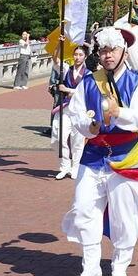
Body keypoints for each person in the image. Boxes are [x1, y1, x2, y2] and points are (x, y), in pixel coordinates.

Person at [61, 23, 138, 276]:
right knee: (84, 208)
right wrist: (90, 126)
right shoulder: (89, 82)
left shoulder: (136, 83)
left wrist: (120, 113)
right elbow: (75, 114)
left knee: (124, 212)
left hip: (126, 155)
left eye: (113, 50)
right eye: (103, 50)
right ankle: (90, 267)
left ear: (124, 53)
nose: (107, 55)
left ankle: (120, 264)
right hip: (93, 154)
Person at [51, 46, 88, 180]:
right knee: (59, 137)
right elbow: (55, 59)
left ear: (85, 57)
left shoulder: (88, 73)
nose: (77, 57)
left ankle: (75, 167)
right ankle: (64, 166)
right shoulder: (67, 69)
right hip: (65, 108)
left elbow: (85, 92)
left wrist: (67, 89)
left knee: (77, 140)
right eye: (75, 54)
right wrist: (59, 44)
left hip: (80, 110)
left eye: (80, 55)